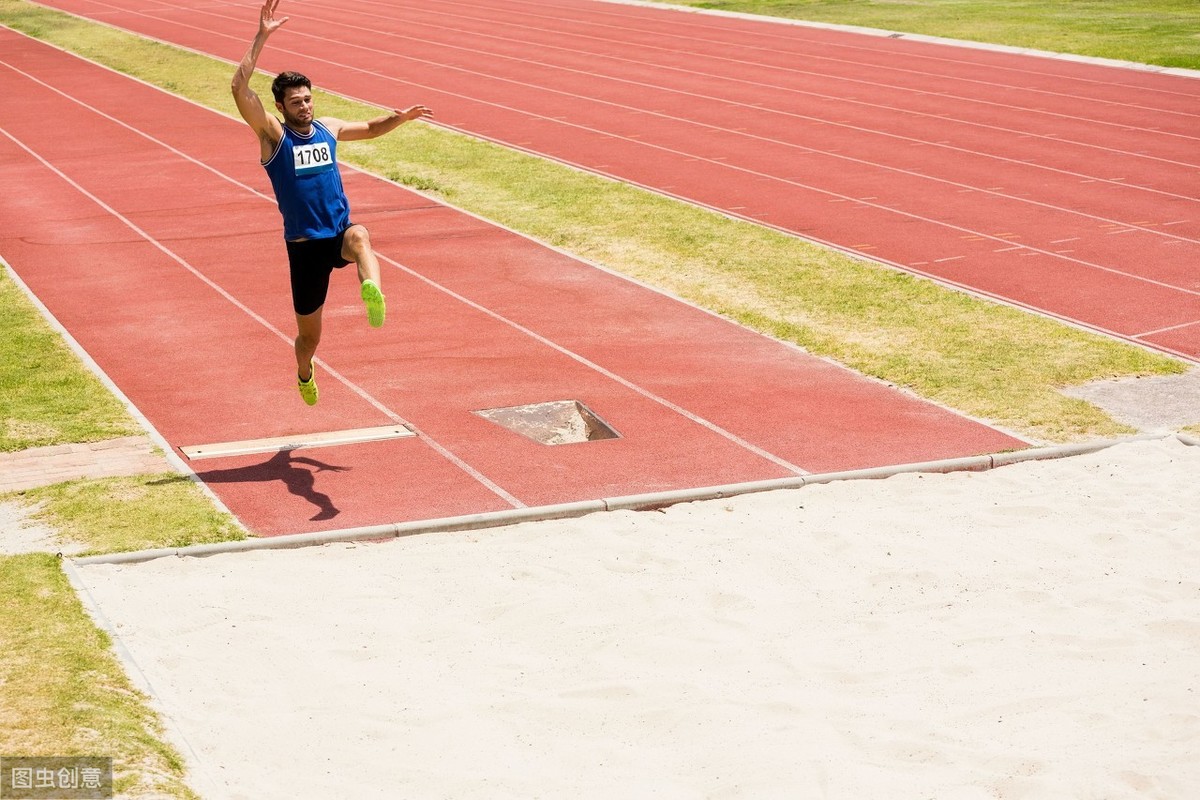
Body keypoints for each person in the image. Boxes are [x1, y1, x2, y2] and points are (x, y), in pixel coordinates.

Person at [231, 0, 433, 405]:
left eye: (308, 99)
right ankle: (305, 372)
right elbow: (238, 89)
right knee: (309, 338)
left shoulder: (329, 128)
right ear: (280, 107)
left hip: (338, 233)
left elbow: (372, 128)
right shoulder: (274, 136)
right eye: (296, 102)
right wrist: (261, 36)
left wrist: (401, 119)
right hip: (305, 249)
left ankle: (372, 289)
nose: (305, 106)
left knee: (361, 235)